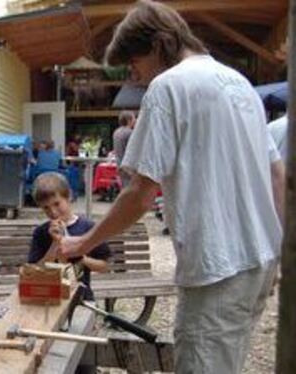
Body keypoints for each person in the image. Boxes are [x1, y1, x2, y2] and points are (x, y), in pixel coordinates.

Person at [60, 1, 284, 373]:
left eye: (135, 66)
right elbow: (276, 174)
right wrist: (277, 251)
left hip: (217, 267)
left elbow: (141, 194)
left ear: (160, 45)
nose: (138, 78)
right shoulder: (240, 84)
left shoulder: (168, 87)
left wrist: (82, 243)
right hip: (259, 260)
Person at [28, 172, 110, 300]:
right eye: (46, 208)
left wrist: (82, 258)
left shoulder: (88, 227)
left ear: (69, 197)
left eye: (57, 204)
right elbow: (34, 272)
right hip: (50, 297)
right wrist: (55, 244)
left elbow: (105, 266)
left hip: (81, 297)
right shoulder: (41, 232)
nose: (53, 212)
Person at [112, 110, 136, 189]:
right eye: (134, 118)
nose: (135, 120)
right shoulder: (130, 133)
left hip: (120, 165)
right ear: (129, 120)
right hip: (129, 167)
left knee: (124, 189)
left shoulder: (116, 132)